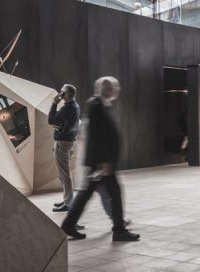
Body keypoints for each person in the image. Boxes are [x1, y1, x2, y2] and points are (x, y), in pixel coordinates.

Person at [61, 77, 139, 242]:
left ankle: (69, 224)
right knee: (112, 194)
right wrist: (104, 161)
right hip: (101, 163)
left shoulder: (101, 105)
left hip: (100, 162)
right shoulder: (97, 105)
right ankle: (118, 230)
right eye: (114, 87)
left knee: (87, 194)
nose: (117, 90)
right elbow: (97, 137)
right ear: (107, 89)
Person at [48, 83, 80, 212]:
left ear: (65, 95)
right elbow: (64, 123)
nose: (59, 94)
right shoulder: (75, 106)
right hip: (68, 141)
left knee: (64, 174)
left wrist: (54, 103)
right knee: (63, 173)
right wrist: (59, 125)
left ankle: (68, 203)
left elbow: (51, 120)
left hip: (63, 142)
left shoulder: (67, 108)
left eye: (61, 92)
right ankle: (67, 199)